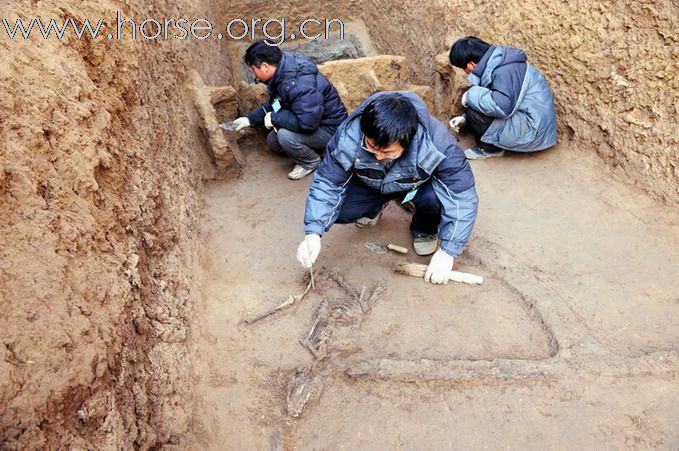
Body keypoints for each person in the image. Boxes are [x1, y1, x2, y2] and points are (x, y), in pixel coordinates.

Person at [295, 91, 479, 285]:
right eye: (372, 147)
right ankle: (374, 207)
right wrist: (313, 232)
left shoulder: (440, 144)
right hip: (370, 183)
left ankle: (424, 228)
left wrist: (448, 252)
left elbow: (462, 197)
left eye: (387, 152)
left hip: (415, 185)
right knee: (339, 210)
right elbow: (328, 183)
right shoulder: (349, 135)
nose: (378, 156)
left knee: (435, 199)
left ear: (407, 140)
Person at [231, 40, 348, 179]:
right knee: (273, 141)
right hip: (314, 119)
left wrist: (275, 117)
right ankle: (318, 150)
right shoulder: (284, 71)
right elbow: (277, 103)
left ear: (265, 66)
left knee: (284, 136)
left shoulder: (298, 85)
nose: (253, 74)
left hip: (332, 129)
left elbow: (308, 124)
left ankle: (310, 162)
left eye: (253, 70)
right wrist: (250, 119)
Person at [448, 36, 558, 160]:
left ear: (472, 64)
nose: (465, 71)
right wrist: (464, 119)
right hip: (533, 124)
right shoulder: (500, 65)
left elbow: (502, 107)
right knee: (475, 105)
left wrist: (470, 95)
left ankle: (490, 149)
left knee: (474, 109)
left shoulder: (505, 71)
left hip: (533, 132)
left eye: (464, 67)